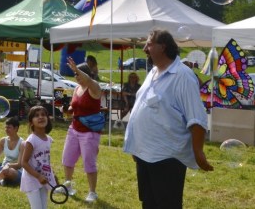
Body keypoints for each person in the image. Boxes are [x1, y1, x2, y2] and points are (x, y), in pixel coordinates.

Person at [124, 28, 213, 209]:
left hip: (167, 157)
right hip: (145, 154)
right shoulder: (153, 72)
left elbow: (196, 117)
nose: (144, 49)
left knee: (167, 205)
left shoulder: (183, 75)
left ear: (163, 46)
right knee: (148, 203)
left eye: (149, 44)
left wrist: (198, 152)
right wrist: (136, 144)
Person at [58, 58, 103, 203]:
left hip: (89, 132)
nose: (76, 77)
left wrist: (77, 69)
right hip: (74, 128)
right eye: (75, 74)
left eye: (78, 74)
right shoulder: (77, 88)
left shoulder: (94, 88)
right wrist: (66, 109)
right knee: (67, 159)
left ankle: (92, 192)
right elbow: (74, 106)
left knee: (89, 163)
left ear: (86, 74)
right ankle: (68, 185)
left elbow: (88, 80)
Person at [20, 106, 58, 209]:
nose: (40, 117)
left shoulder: (48, 139)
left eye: (43, 115)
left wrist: (51, 173)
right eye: (36, 116)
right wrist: (38, 176)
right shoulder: (31, 140)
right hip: (32, 179)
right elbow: (24, 162)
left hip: (44, 178)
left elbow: (45, 159)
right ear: (31, 122)